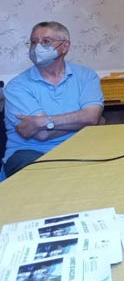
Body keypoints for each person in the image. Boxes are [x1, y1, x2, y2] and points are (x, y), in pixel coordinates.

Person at [2, 21, 104, 180]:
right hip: (30, 153)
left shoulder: (86, 76)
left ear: (65, 46)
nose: (37, 47)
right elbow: (41, 134)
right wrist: (85, 121)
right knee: (51, 180)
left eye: (46, 41)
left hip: (80, 148)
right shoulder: (17, 86)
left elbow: (91, 117)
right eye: (34, 42)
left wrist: (43, 121)